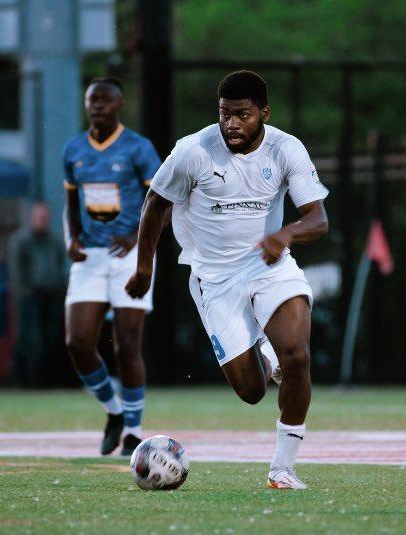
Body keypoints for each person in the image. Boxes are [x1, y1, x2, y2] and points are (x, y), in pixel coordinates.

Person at [126, 70, 329, 489]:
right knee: (252, 391)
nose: (232, 124)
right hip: (213, 280)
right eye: (225, 114)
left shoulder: (286, 149)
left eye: (242, 114)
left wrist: (284, 235)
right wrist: (144, 266)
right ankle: (266, 355)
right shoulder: (193, 151)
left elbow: (318, 219)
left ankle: (282, 469)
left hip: (268, 265)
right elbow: (154, 204)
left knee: (299, 356)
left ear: (264, 113)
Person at [62, 76, 162, 456]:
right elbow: (71, 203)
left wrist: (138, 240)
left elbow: (159, 201)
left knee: (127, 345)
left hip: (128, 257)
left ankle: (134, 430)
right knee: (78, 341)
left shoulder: (138, 147)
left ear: (120, 104)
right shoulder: (73, 149)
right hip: (90, 256)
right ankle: (114, 411)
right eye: (92, 100)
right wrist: (70, 239)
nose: (97, 105)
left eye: (105, 99)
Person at [15, 202, 66, 387]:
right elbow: (18, 270)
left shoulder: (55, 240)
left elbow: (60, 264)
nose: (41, 221)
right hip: (31, 297)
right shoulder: (22, 241)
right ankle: (30, 380)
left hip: (52, 296)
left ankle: (49, 379)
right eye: (38, 217)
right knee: (32, 339)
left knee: (51, 338)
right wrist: (26, 290)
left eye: (44, 217)